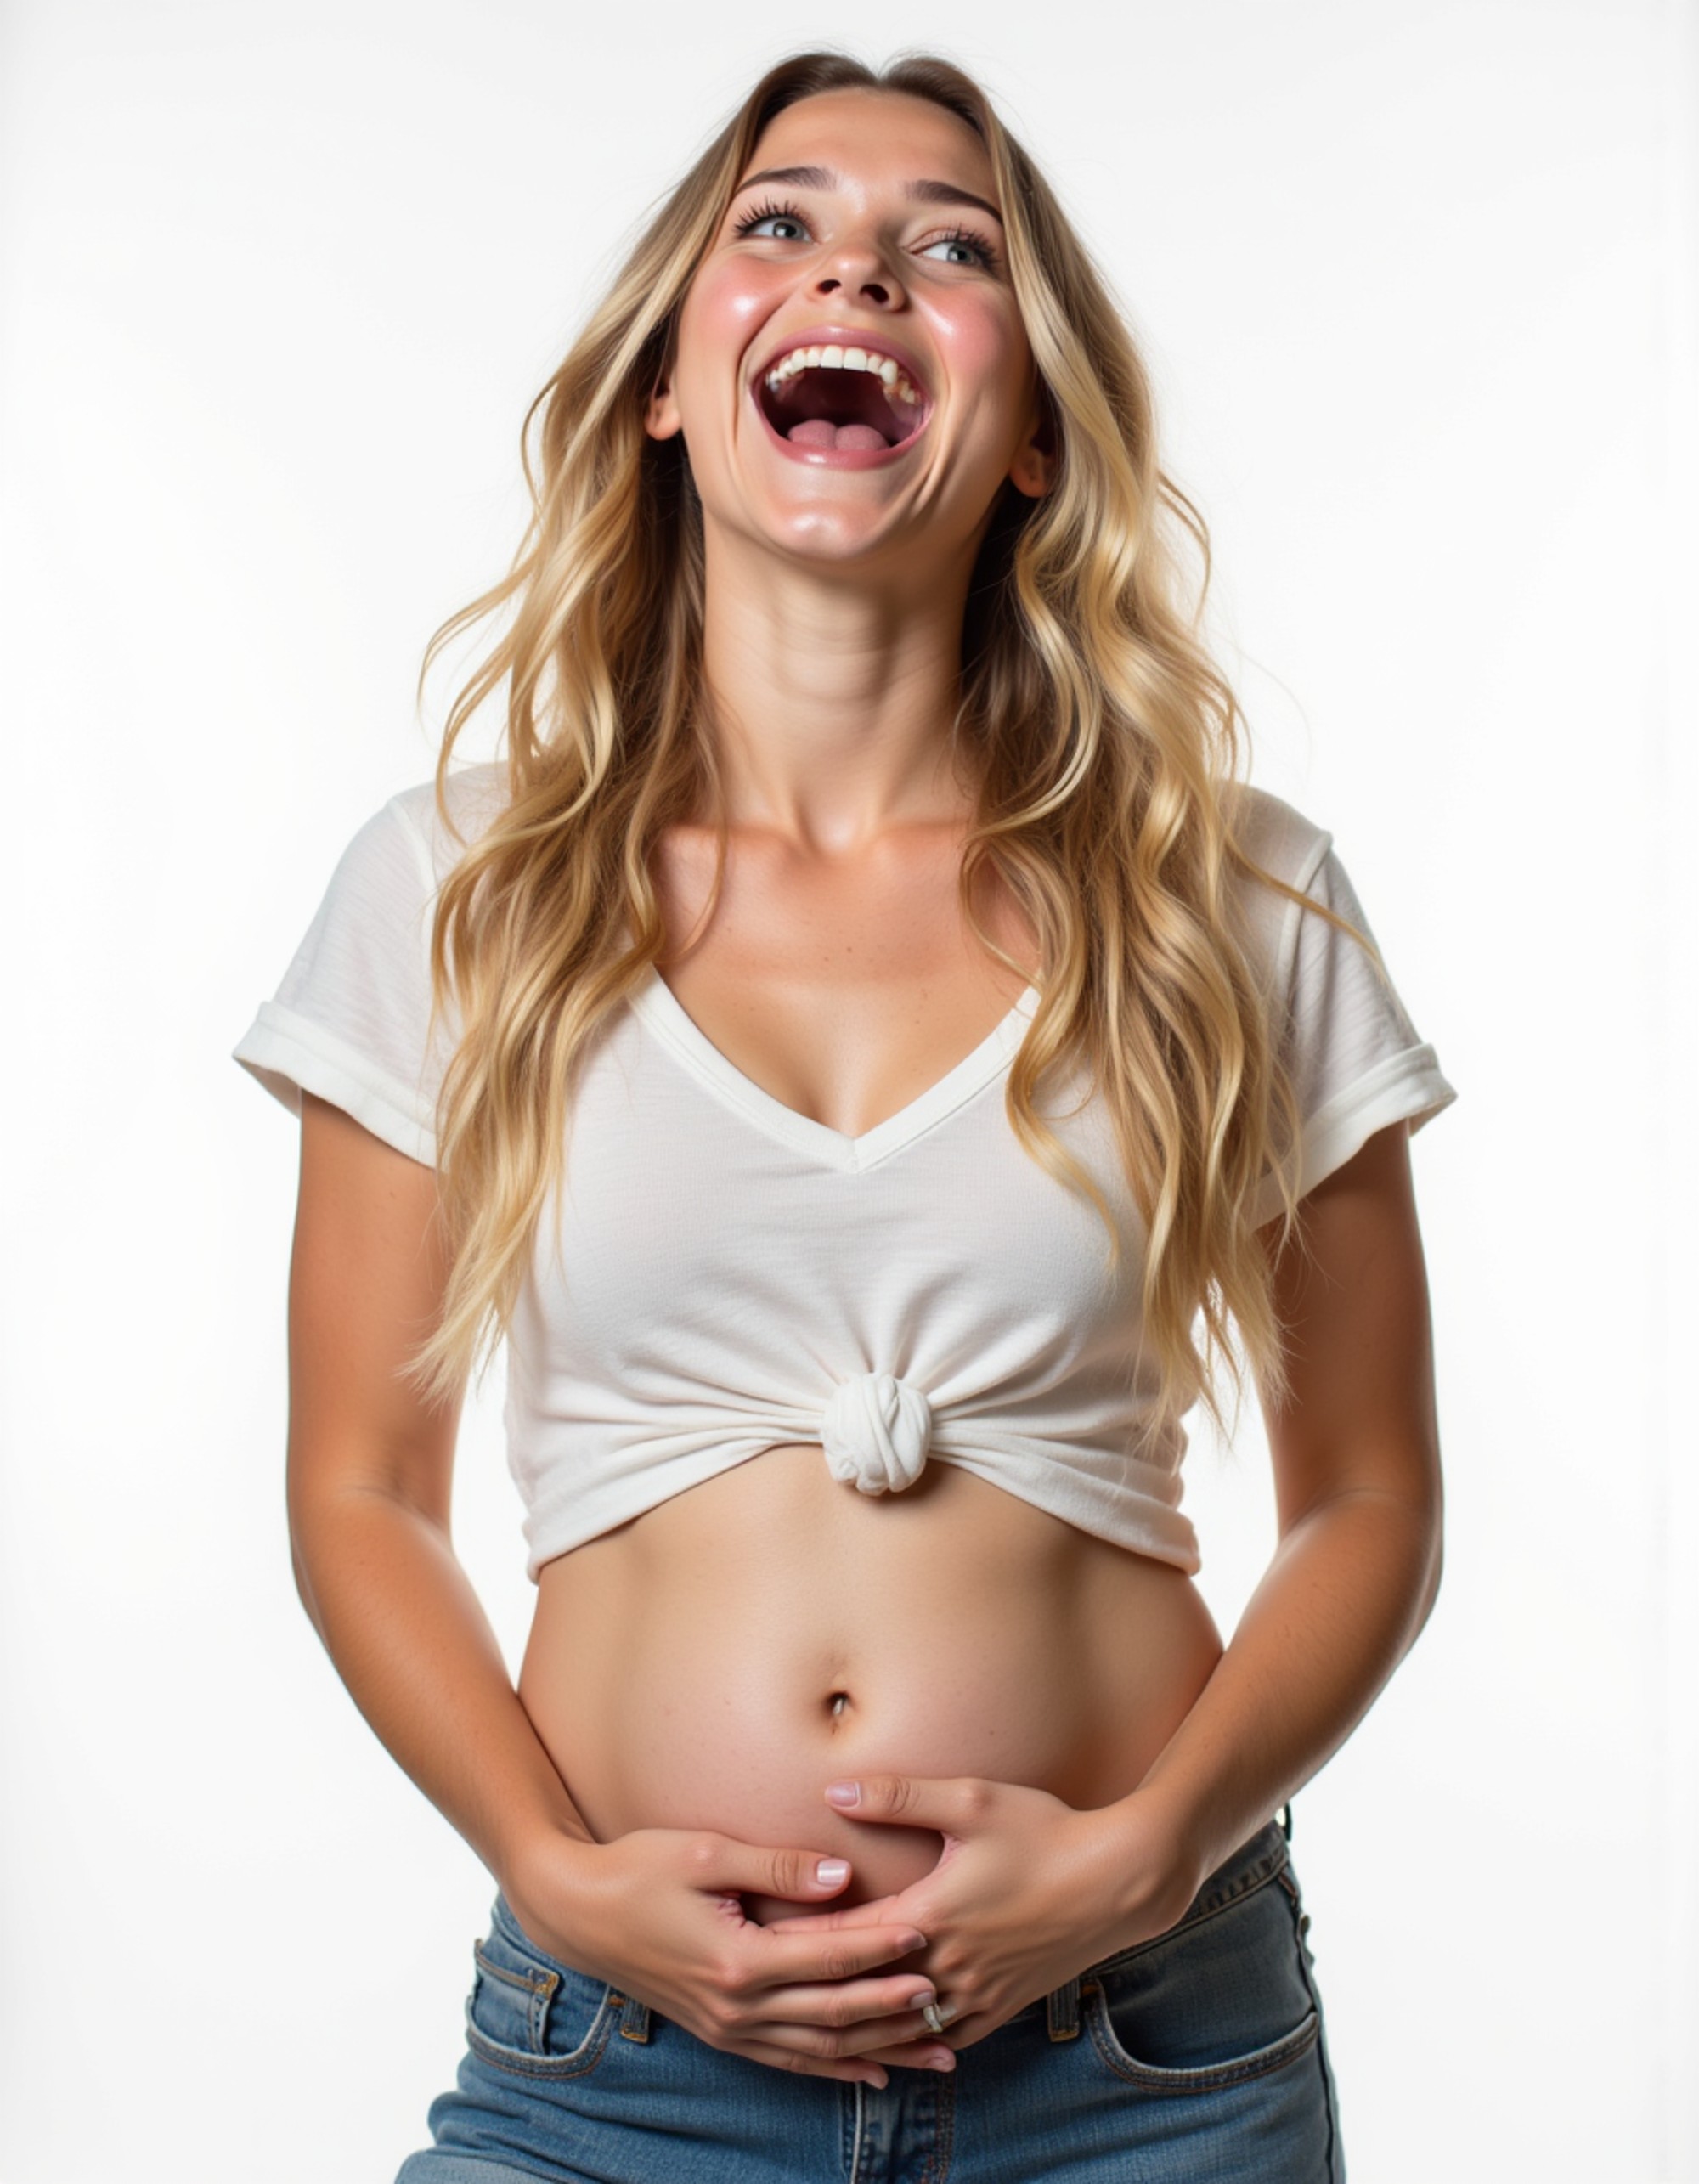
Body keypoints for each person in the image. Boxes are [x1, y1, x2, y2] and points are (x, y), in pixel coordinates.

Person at [233, 46, 1457, 2184]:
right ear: (664, 383)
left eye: (949, 249)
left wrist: (1154, 1849)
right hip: (616, 2068)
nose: (860, 270)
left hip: (1140, 2067)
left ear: (1037, 430)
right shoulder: (455, 888)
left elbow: (1368, 1494)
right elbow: (359, 1486)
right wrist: (550, 1863)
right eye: (780, 224)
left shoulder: (1233, 897)